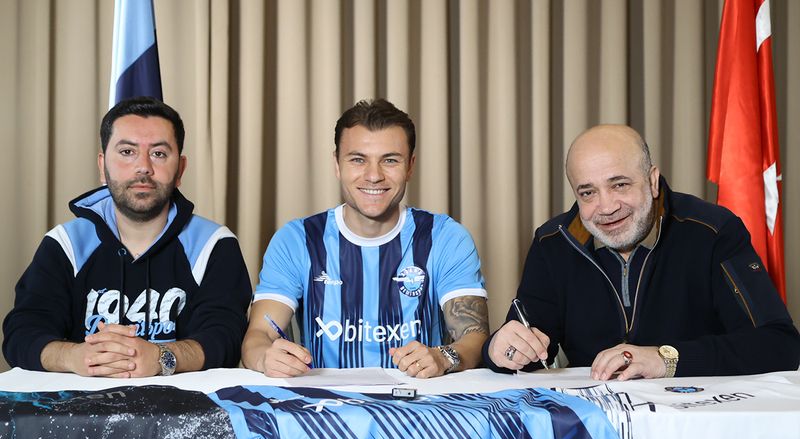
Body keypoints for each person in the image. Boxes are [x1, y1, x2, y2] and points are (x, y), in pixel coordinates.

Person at [483, 124, 800, 380]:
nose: (606, 207)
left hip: (698, 418)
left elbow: (780, 344)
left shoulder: (713, 231)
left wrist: (666, 359)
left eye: (619, 185)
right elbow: (526, 348)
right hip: (596, 422)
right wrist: (499, 350)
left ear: (652, 181)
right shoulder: (553, 242)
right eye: (588, 192)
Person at [2, 97, 252, 377]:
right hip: (80, 400)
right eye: (127, 152)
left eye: (159, 153)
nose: (143, 167)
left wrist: (162, 357)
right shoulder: (66, 244)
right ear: (102, 166)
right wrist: (74, 357)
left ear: (180, 169)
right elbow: (21, 333)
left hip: (183, 401)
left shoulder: (214, 244)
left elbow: (227, 337)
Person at [242, 99, 489, 378]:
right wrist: (266, 358)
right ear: (337, 164)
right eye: (358, 160)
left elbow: (476, 337)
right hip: (323, 402)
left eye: (390, 160)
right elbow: (258, 336)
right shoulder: (296, 239)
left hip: (419, 401)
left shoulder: (445, 237)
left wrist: (443, 357)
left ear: (410, 166)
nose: (373, 176)